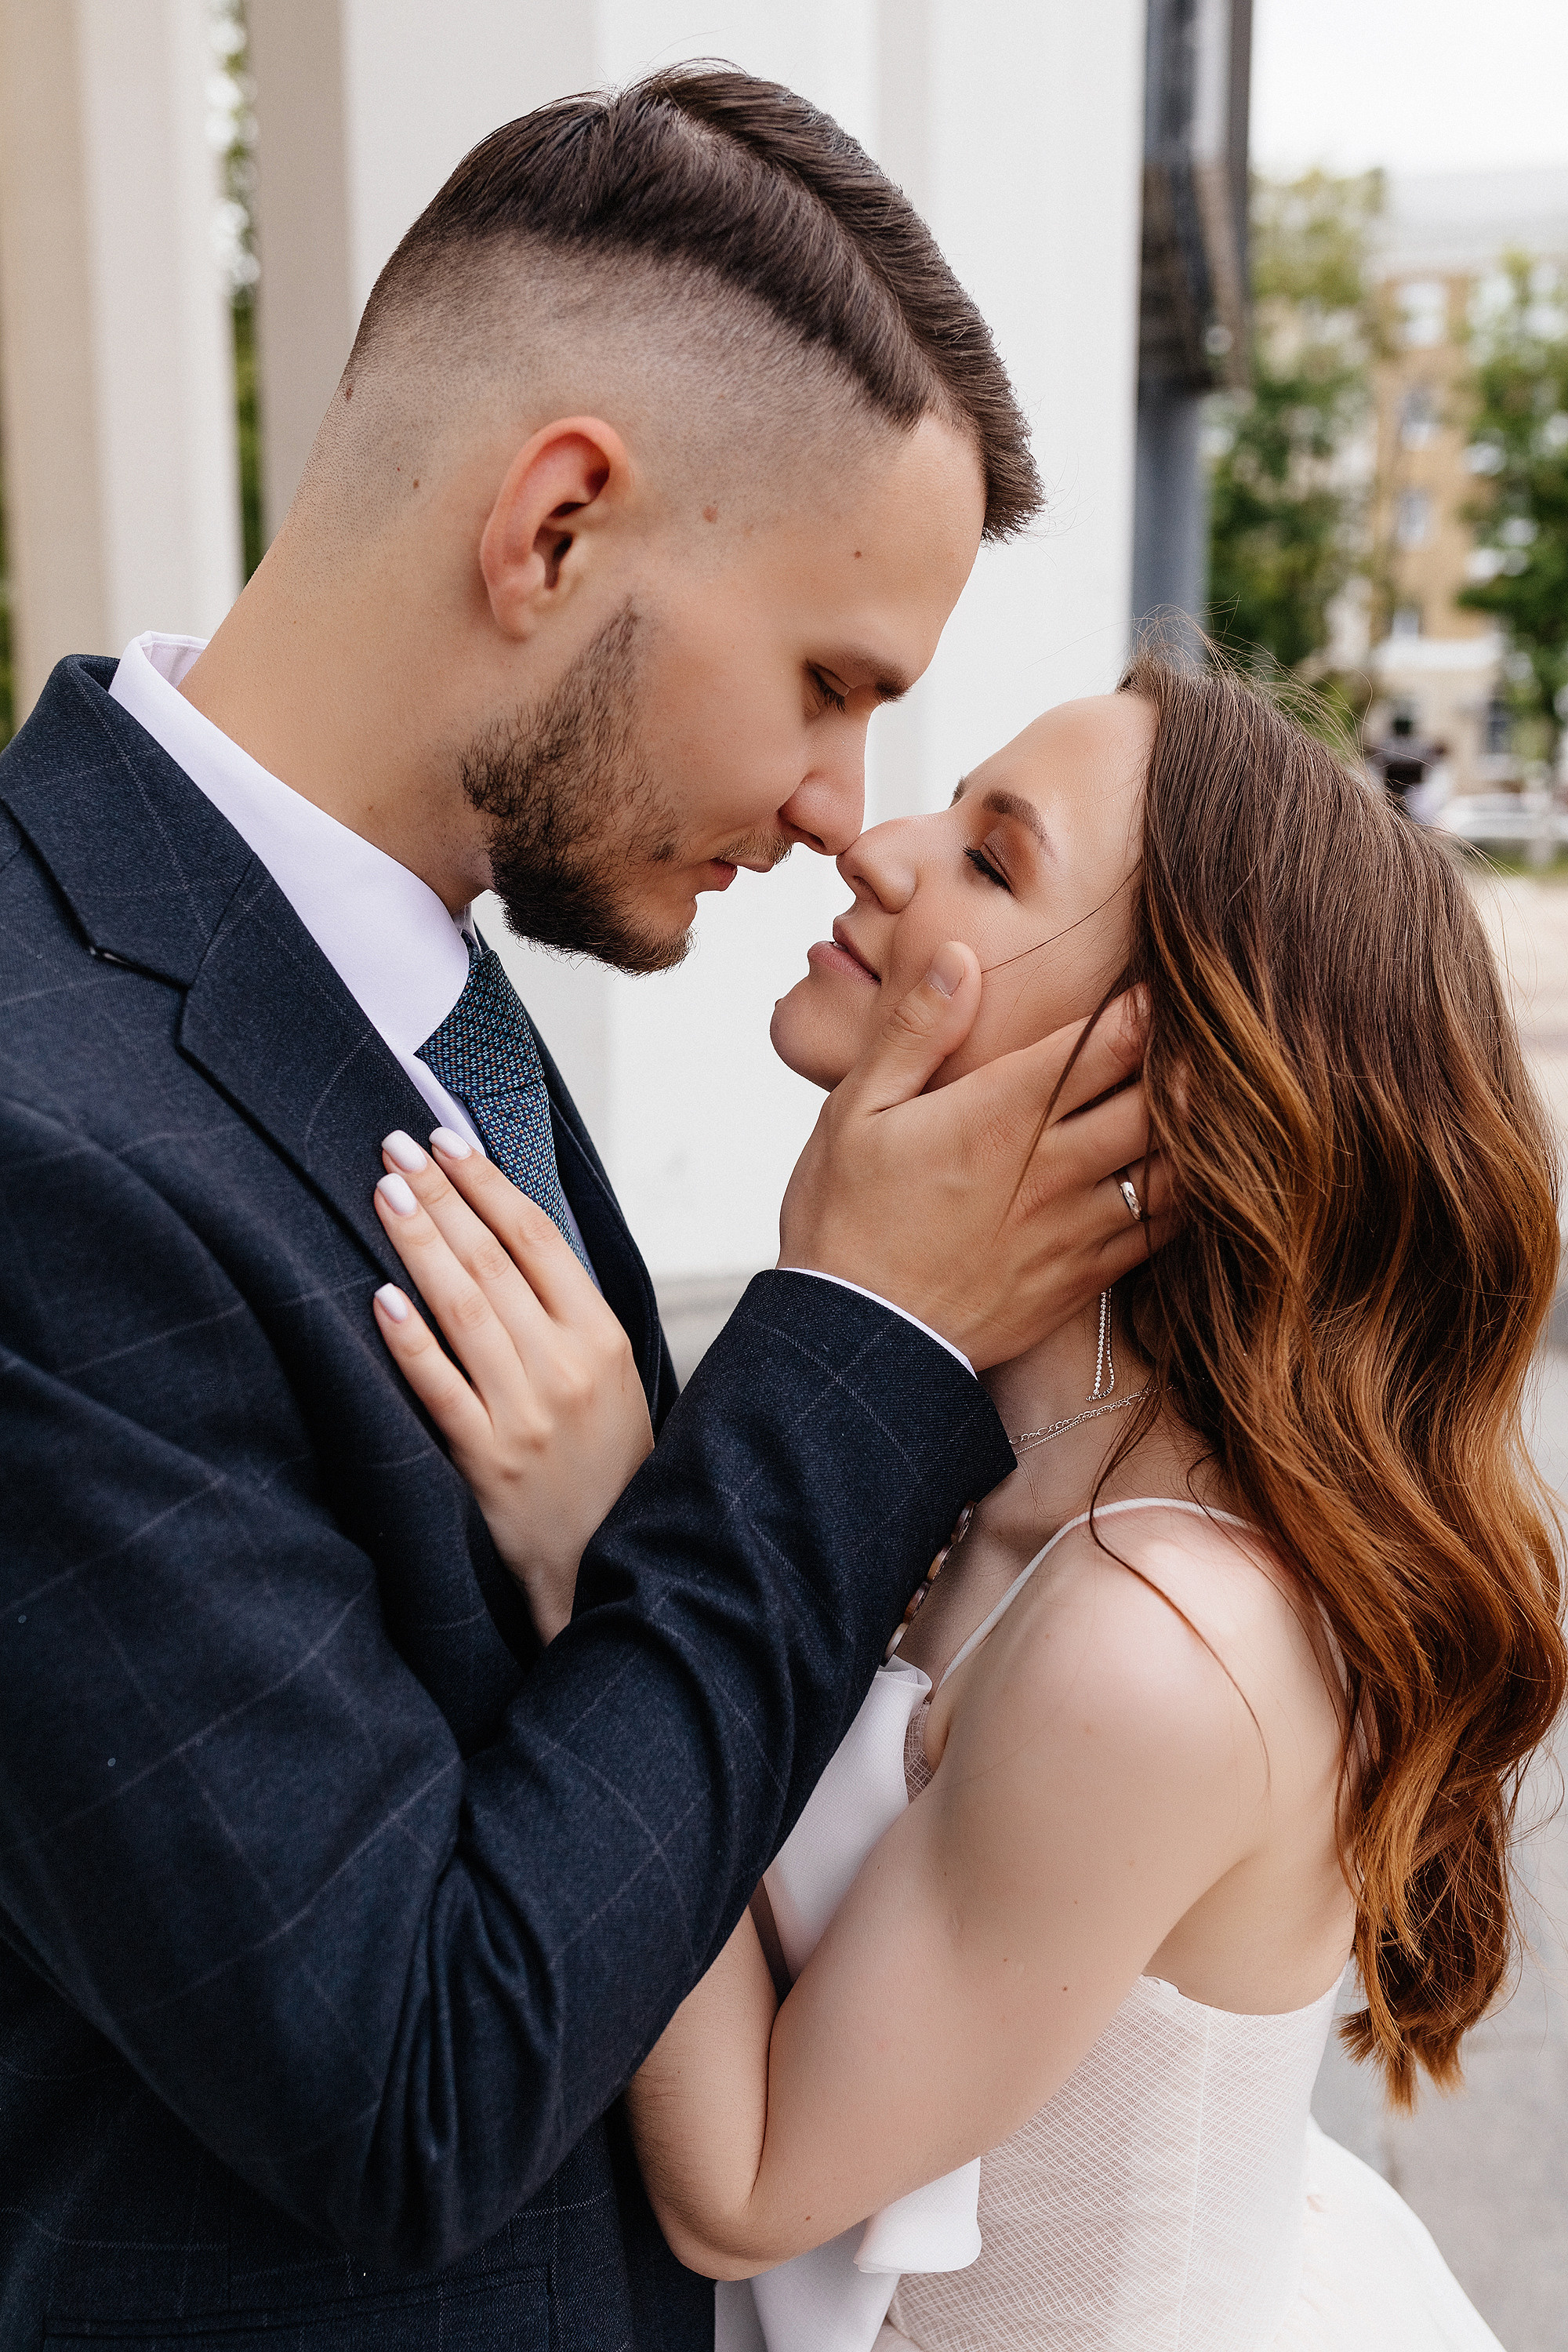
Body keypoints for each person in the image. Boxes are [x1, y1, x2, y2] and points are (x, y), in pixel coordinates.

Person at [0, 71, 1163, 2352]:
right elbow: (413, 2085)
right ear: (551, 532)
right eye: (829, 686)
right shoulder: (47, 1138)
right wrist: (867, 1350)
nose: (844, 816)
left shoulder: (438, 1006)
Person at [387, 653, 1565, 2350]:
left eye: (994, 859)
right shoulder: (979, 1460)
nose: (878, 846)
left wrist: (600, 1544)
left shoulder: (1154, 1648)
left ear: (1173, 1085)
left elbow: (751, 2181)